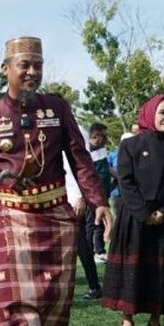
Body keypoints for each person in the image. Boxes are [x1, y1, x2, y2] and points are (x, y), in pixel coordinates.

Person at [0, 36, 112, 326]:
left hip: (55, 213)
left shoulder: (58, 108)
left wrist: (98, 202)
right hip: (9, 213)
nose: (32, 72)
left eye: (38, 65)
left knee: (53, 294)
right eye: (24, 65)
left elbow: (80, 160)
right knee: (13, 295)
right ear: (6, 69)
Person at [101, 94, 164, 326]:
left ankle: (155, 320)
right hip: (134, 218)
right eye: (162, 112)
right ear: (150, 114)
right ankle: (127, 320)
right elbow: (126, 182)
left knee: (160, 273)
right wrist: (144, 213)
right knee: (132, 273)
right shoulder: (130, 146)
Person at [65, 125, 103, 301]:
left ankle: (94, 286)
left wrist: (79, 196)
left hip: (71, 197)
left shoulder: (77, 130)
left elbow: (81, 167)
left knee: (80, 243)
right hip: (53, 195)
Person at [87, 122, 113, 263]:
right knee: (93, 223)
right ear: (95, 135)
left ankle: (98, 251)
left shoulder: (102, 149)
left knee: (101, 222)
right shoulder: (86, 150)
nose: (105, 139)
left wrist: (120, 177)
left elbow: (106, 168)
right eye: (104, 136)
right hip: (93, 195)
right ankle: (94, 251)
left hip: (104, 193)